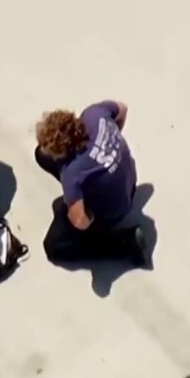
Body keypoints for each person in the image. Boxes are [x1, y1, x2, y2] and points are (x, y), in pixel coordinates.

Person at [34, 101, 148, 266]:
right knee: (41, 155)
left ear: (61, 152)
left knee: (54, 246)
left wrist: (87, 215)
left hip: (115, 210)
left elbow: (81, 221)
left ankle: (126, 243)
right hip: (128, 182)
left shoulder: (72, 174)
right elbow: (122, 109)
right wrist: (106, 149)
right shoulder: (94, 114)